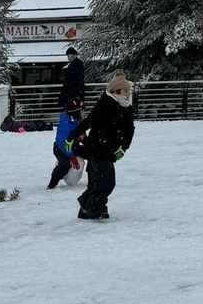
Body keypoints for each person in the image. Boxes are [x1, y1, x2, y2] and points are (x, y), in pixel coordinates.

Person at [67, 74, 136, 219]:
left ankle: (87, 206)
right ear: (116, 92)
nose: (128, 93)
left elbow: (129, 129)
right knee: (106, 182)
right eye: (125, 91)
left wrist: (124, 147)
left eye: (129, 90)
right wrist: (71, 136)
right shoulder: (105, 104)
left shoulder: (127, 106)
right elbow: (89, 122)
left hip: (109, 150)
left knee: (97, 181)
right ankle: (96, 209)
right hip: (97, 148)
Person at [46, 99, 85, 188]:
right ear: (75, 112)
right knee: (65, 164)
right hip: (60, 149)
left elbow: (83, 137)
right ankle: (53, 182)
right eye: (82, 111)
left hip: (73, 146)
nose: (84, 113)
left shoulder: (78, 122)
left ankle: (94, 179)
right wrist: (71, 156)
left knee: (92, 155)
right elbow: (61, 143)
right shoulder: (65, 124)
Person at [58, 45, 86, 111]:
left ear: (74, 55)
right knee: (74, 107)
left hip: (73, 90)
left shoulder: (76, 64)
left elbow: (76, 77)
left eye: (69, 55)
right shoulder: (74, 64)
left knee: (73, 108)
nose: (68, 57)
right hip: (73, 90)